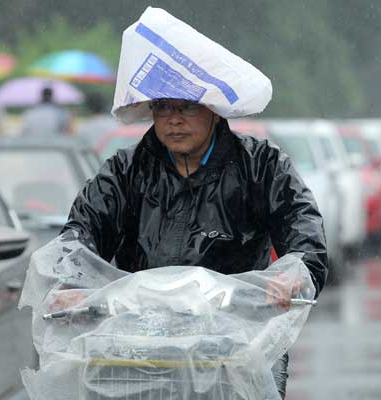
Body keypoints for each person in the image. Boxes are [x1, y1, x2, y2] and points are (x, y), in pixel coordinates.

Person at [59, 98, 328, 398]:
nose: (174, 120)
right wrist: (70, 283)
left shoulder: (261, 165)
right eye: (163, 108)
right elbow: (82, 230)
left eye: (186, 108)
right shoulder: (125, 170)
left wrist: (294, 275)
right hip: (137, 343)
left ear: (213, 111)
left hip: (238, 342)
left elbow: (301, 222)